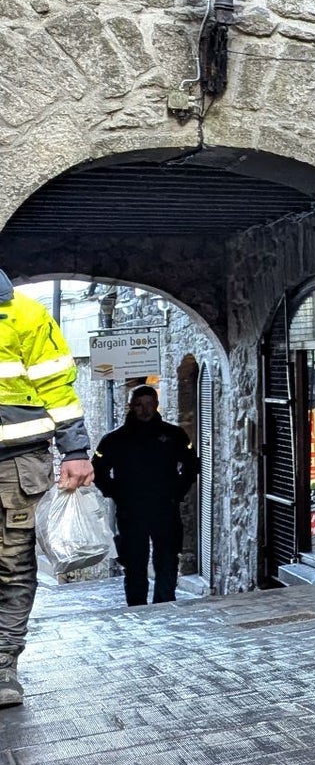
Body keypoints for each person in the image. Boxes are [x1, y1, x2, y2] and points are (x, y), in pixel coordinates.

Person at [0, 270, 95, 708]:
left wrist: (75, 450)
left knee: (12, 567)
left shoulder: (24, 314)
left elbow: (57, 385)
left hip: (17, 464)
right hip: (20, 465)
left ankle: (2, 666)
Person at [93, 385, 200, 606]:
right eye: (140, 405)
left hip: (165, 507)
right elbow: (98, 470)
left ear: (156, 405)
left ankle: (165, 603)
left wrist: (176, 492)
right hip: (131, 510)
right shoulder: (115, 439)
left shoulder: (173, 434)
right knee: (134, 561)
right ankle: (137, 606)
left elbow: (191, 466)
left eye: (150, 404)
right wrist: (116, 493)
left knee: (167, 559)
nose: (145, 410)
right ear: (131, 406)